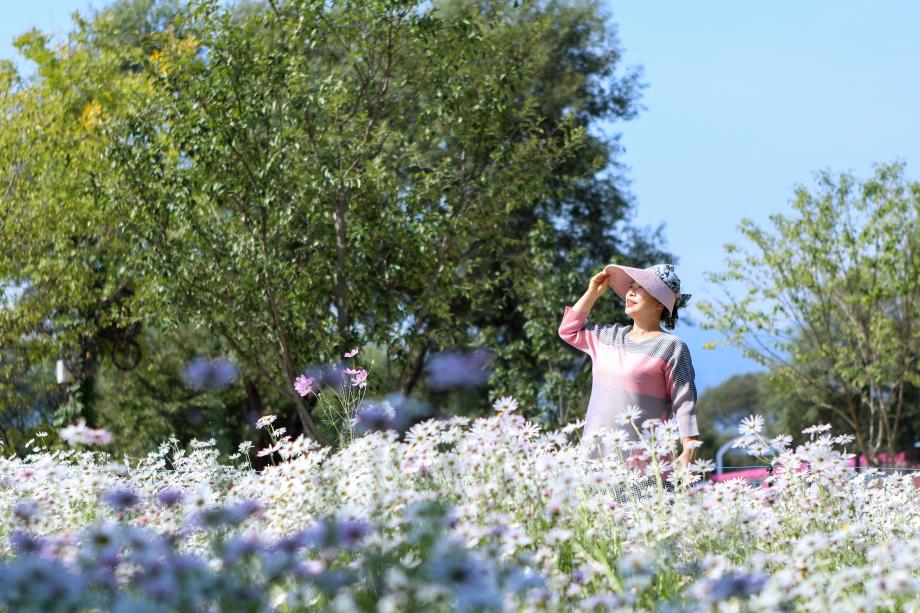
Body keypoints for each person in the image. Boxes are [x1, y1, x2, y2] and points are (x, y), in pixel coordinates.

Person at [558, 263, 701, 469]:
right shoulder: (608, 336)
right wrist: (591, 293)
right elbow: (568, 331)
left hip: (645, 470)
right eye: (630, 287)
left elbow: (685, 402)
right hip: (594, 464)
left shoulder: (671, 347)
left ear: (660, 302)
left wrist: (689, 449)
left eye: (639, 288)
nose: (630, 292)